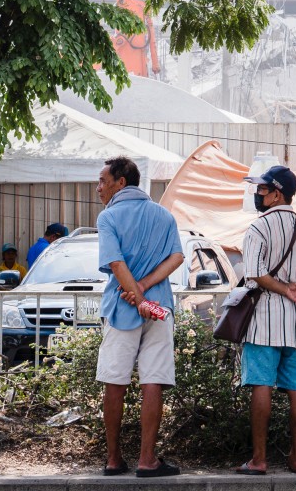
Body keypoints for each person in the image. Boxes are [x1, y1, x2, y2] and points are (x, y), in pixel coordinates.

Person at [95, 156, 184, 478]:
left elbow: (116, 264)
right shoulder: (164, 215)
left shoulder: (109, 217)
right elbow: (177, 256)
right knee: (153, 382)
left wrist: (135, 294)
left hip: (121, 307)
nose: (98, 188)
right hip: (159, 307)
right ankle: (148, 460)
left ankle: (114, 459)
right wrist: (146, 293)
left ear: (121, 182)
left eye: (103, 181)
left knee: (115, 382)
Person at [237, 165, 296, 476]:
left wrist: (284, 289)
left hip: (265, 320)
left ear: (277, 194)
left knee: (262, 384)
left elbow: (255, 273)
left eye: (262, 190)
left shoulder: (257, 228)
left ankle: (259, 460)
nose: (257, 194)